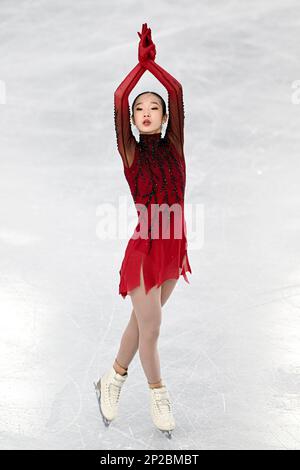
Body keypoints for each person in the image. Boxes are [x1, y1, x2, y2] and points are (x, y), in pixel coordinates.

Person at [94, 23, 192, 439]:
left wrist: (158, 68)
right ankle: (158, 393)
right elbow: (119, 97)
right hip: (145, 248)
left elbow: (177, 91)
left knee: (140, 322)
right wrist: (141, 66)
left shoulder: (175, 147)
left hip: (174, 248)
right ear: (132, 121)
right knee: (151, 328)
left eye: (154, 107)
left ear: (165, 116)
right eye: (140, 110)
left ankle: (111, 379)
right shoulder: (131, 153)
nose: (147, 111)